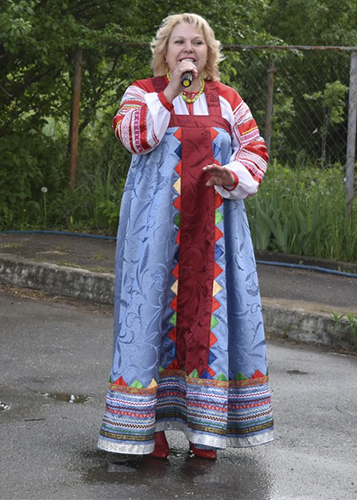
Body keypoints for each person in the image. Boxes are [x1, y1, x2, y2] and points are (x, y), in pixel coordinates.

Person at [97, 13, 274, 460]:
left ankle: (204, 429)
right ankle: (149, 428)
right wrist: (170, 92)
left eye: (197, 42)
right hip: (155, 235)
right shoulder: (142, 93)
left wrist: (231, 173)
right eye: (179, 42)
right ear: (165, 51)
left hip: (215, 233)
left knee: (209, 321)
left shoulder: (229, 100)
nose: (188, 49)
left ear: (209, 52)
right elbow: (134, 137)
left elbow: (255, 151)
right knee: (150, 320)